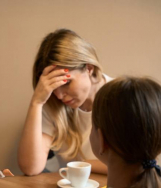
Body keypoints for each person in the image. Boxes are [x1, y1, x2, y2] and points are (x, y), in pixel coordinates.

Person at [18, 29, 111, 176]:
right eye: (54, 86)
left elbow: (134, 165)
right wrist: (36, 103)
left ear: (88, 68)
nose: (60, 95)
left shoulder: (121, 98)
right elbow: (31, 167)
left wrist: (80, 165)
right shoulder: (52, 101)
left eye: (66, 82)